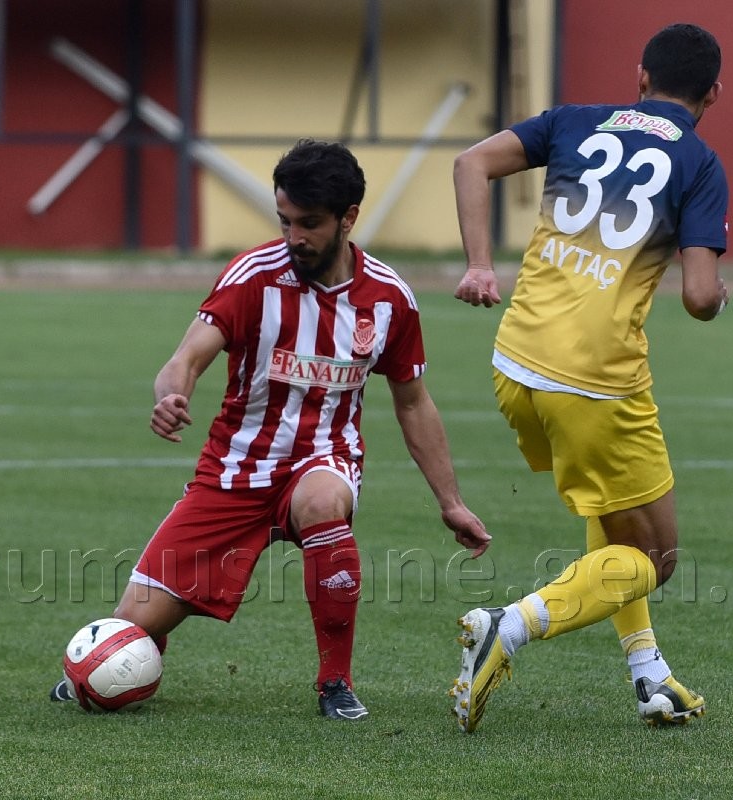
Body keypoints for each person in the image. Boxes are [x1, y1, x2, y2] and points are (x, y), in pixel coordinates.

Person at [52, 138, 491, 720]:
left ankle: (335, 683)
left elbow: (413, 403)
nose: (294, 237)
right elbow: (185, 358)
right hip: (233, 473)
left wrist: (451, 501)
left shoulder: (389, 299)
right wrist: (171, 394)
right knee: (127, 635)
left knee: (323, 500)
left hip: (324, 458)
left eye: (309, 224)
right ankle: (117, 666)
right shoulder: (253, 276)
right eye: (284, 221)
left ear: (348, 219)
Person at [448, 22, 729, 733]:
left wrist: (481, 263)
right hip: (596, 382)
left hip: (515, 361)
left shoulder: (574, 121)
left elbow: (471, 163)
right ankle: (506, 627)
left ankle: (650, 677)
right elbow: (700, 299)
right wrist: (719, 294)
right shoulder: (698, 162)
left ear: (640, 76)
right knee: (652, 558)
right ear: (712, 96)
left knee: (610, 514)